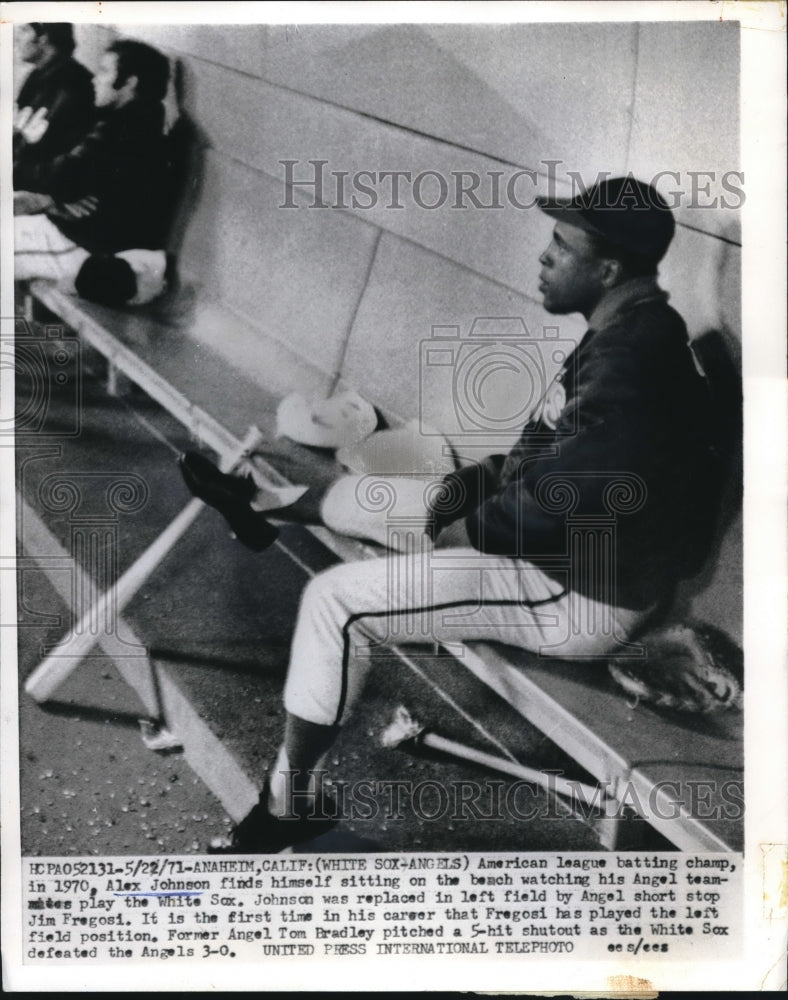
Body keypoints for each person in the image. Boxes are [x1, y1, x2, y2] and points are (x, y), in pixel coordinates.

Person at [179, 177, 723, 853]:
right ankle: (263, 507)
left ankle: (291, 802)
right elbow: (534, 464)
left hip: (581, 594)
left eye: (562, 244)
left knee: (334, 602)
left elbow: (558, 501)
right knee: (396, 496)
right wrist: (455, 496)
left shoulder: (635, 356)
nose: (544, 257)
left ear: (607, 268)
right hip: (558, 553)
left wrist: (458, 531)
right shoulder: (626, 328)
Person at [14, 38, 171, 302]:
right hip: (73, 231)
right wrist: (53, 199)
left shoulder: (127, 129)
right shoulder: (127, 120)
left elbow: (62, 177)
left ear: (129, 83)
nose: (95, 79)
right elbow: (66, 179)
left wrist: (50, 197)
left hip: (91, 249)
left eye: (105, 71)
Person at [13, 23, 94, 192]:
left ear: (44, 38)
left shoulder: (73, 85)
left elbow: (54, 159)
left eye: (24, 30)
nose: (16, 38)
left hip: (39, 191)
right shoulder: (37, 75)